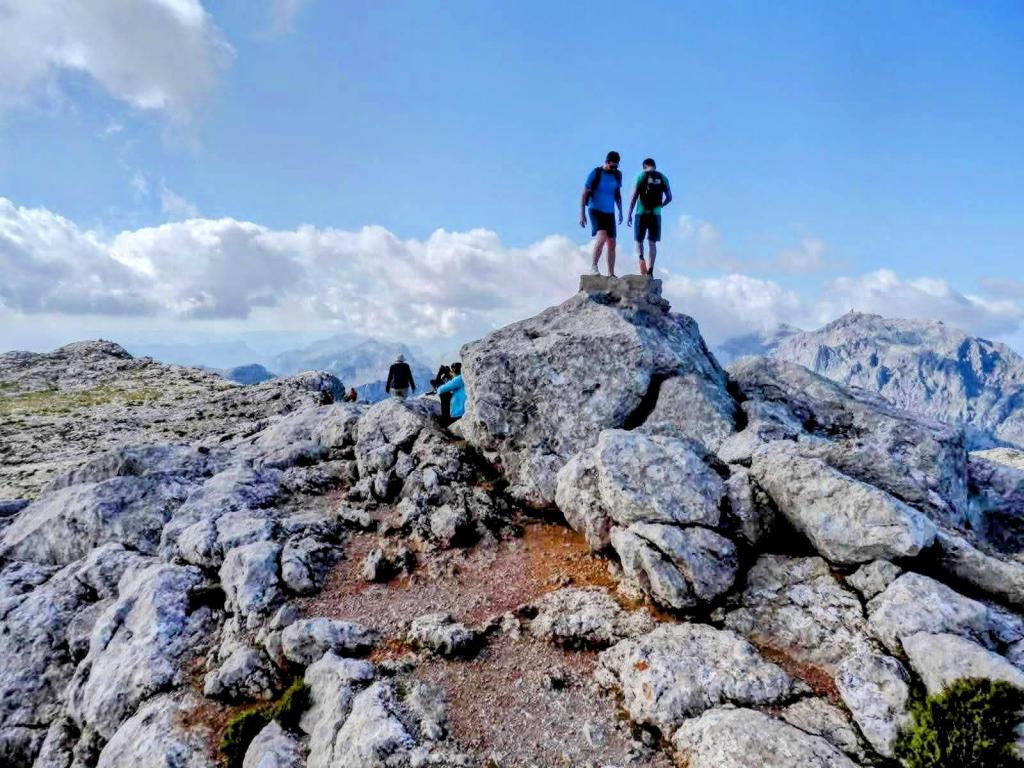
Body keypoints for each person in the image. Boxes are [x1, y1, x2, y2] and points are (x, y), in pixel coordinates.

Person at [580, 151, 623, 277]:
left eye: (616, 166)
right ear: (606, 162)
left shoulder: (617, 175)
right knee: (602, 237)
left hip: (610, 212)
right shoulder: (596, 173)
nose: (614, 168)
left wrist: (620, 211)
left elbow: (617, 194)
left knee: (612, 242)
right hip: (595, 209)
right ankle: (594, 266)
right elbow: (584, 194)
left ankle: (611, 273)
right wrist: (582, 215)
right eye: (612, 166)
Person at [627, 157, 672, 278]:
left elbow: (634, 196)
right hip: (656, 214)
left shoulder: (642, 176)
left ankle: (641, 258)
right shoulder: (663, 178)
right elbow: (669, 197)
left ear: (644, 166)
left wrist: (629, 214)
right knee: (652, 243)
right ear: (654, 165)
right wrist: (661, 205)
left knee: (639, 240)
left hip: (641, 213)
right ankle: (650, 270)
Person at [437, 362, 466, 426]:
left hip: (459, 413)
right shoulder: (464, 377)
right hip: (464, 410)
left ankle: (445, 420)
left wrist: (441, 383)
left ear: (453, 370)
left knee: (443, 395)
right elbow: (453, 386)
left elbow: (440, 390)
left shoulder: (458, 378)